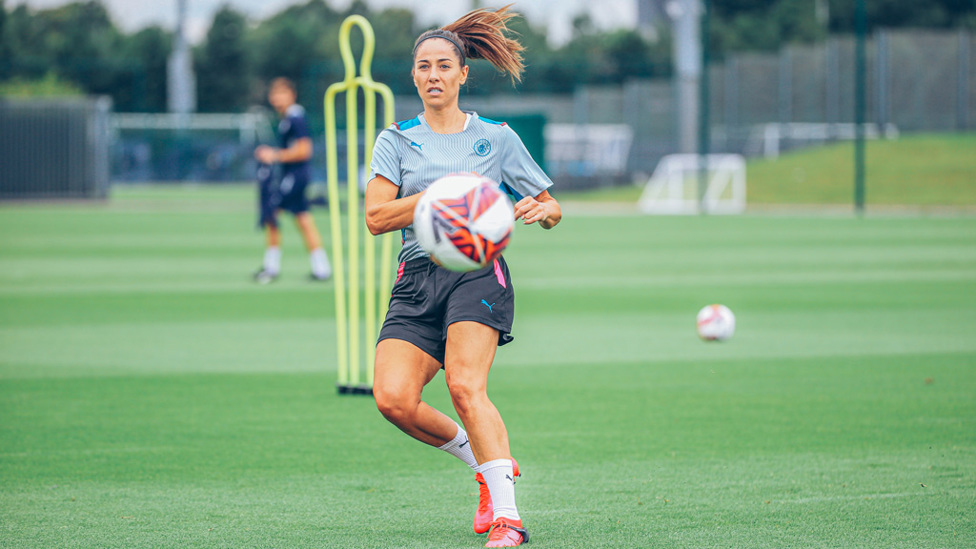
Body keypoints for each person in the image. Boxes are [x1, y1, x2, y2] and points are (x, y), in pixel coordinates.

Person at [363, 7, 561, 548]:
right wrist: (436, 198)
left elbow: (550, 204)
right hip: (417, 276)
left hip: (479, 272)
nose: (433, 75)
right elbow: (376, 218)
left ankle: (509, 518)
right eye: (423, 66)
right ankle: (484, 465)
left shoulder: (495, 137)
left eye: (443, 65)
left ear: (462, 73)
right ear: (414, 76)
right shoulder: (396, 140)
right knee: (393, 398)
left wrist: (543, 212)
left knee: (464, 385)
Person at [253, 77, 331, 283]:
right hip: (296, 175)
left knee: (272, 213)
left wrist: (274, 155)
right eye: (275, 94)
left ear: (292, 95)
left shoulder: (295, 117)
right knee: (303, 219)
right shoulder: (287, 118)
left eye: (282, 93)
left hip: (295, 176)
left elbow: (305, 150)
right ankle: (322, 267)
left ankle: (271, 267)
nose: (277, 98)